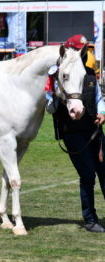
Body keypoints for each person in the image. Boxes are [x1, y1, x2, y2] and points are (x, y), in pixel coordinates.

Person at [48, 34, 105, 233]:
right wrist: (53, 95)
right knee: (88, 175)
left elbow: (99, 98)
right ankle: (90, 219)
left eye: (85, 50)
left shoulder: (89, 74)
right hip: (73, 134)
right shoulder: (57, 76)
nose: (84, 53)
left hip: (95, 132)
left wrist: (103, 112)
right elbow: (50, 108)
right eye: (81, 49)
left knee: (104, 173)